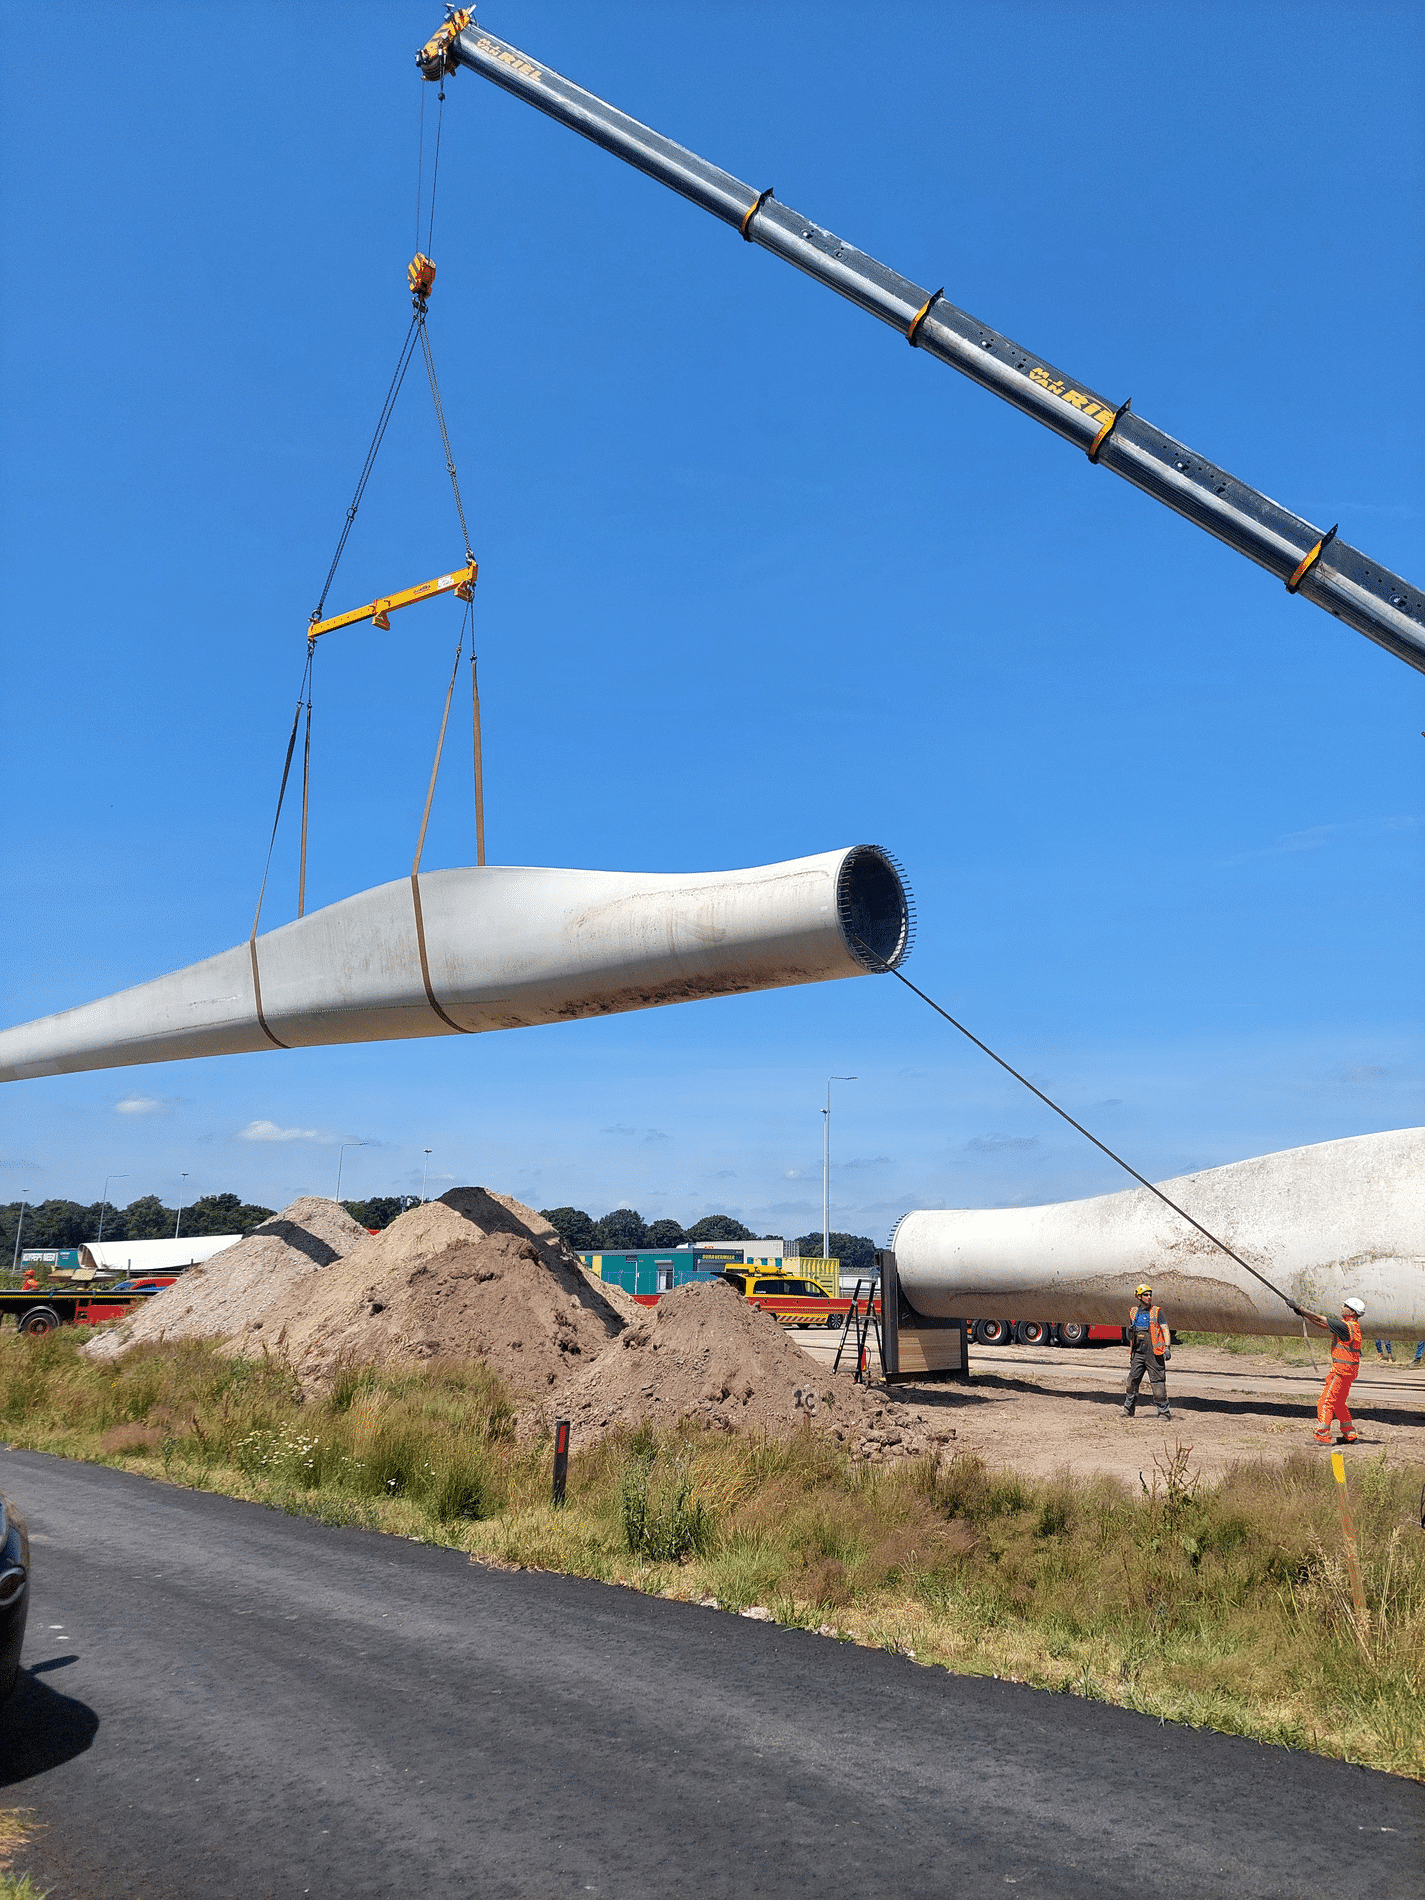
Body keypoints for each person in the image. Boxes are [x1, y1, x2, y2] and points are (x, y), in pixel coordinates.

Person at [1296, 1296, 1365, 1445]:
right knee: (1339, 1403)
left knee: (1325, 1402)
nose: (1342, 1308)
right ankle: (1350, 1434)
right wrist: (1304, 1315)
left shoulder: (1345, 1326)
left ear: (1352, 1312)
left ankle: (1322, 1436)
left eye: (1345, 1306)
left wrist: (1300, 1308)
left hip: (1340, 1372)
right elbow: (1322, 1324)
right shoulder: (1352, 1327)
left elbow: (1320, 1319)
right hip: (1349, 1371)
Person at [1122, 1283, 1171, 1421]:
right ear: (1138, 1296)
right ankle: (1128, 1410)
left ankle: (1164, 1413)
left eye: (1150, 1295)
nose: (1149, 1297)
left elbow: (1165, 1328)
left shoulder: (1157, 1311)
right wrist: (1130, 1332)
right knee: (1132, 1381)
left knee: (1157, 1382)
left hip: (1154, 1353)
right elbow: (1129, 1333)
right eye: (1145, 1295)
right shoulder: (1133, 1311)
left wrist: (1167, 1347)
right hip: (1138, 1351)